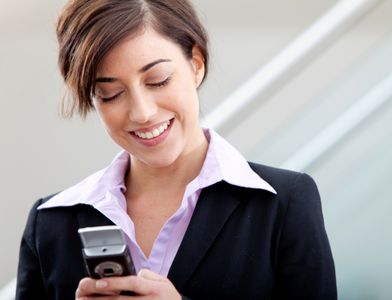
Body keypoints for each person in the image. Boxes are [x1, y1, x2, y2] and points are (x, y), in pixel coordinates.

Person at [16, 0, 337, 299]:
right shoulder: (50, 224)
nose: (141, 112)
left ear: (196, 65)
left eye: (158, 80)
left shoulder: (282, 204)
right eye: (110, 93)